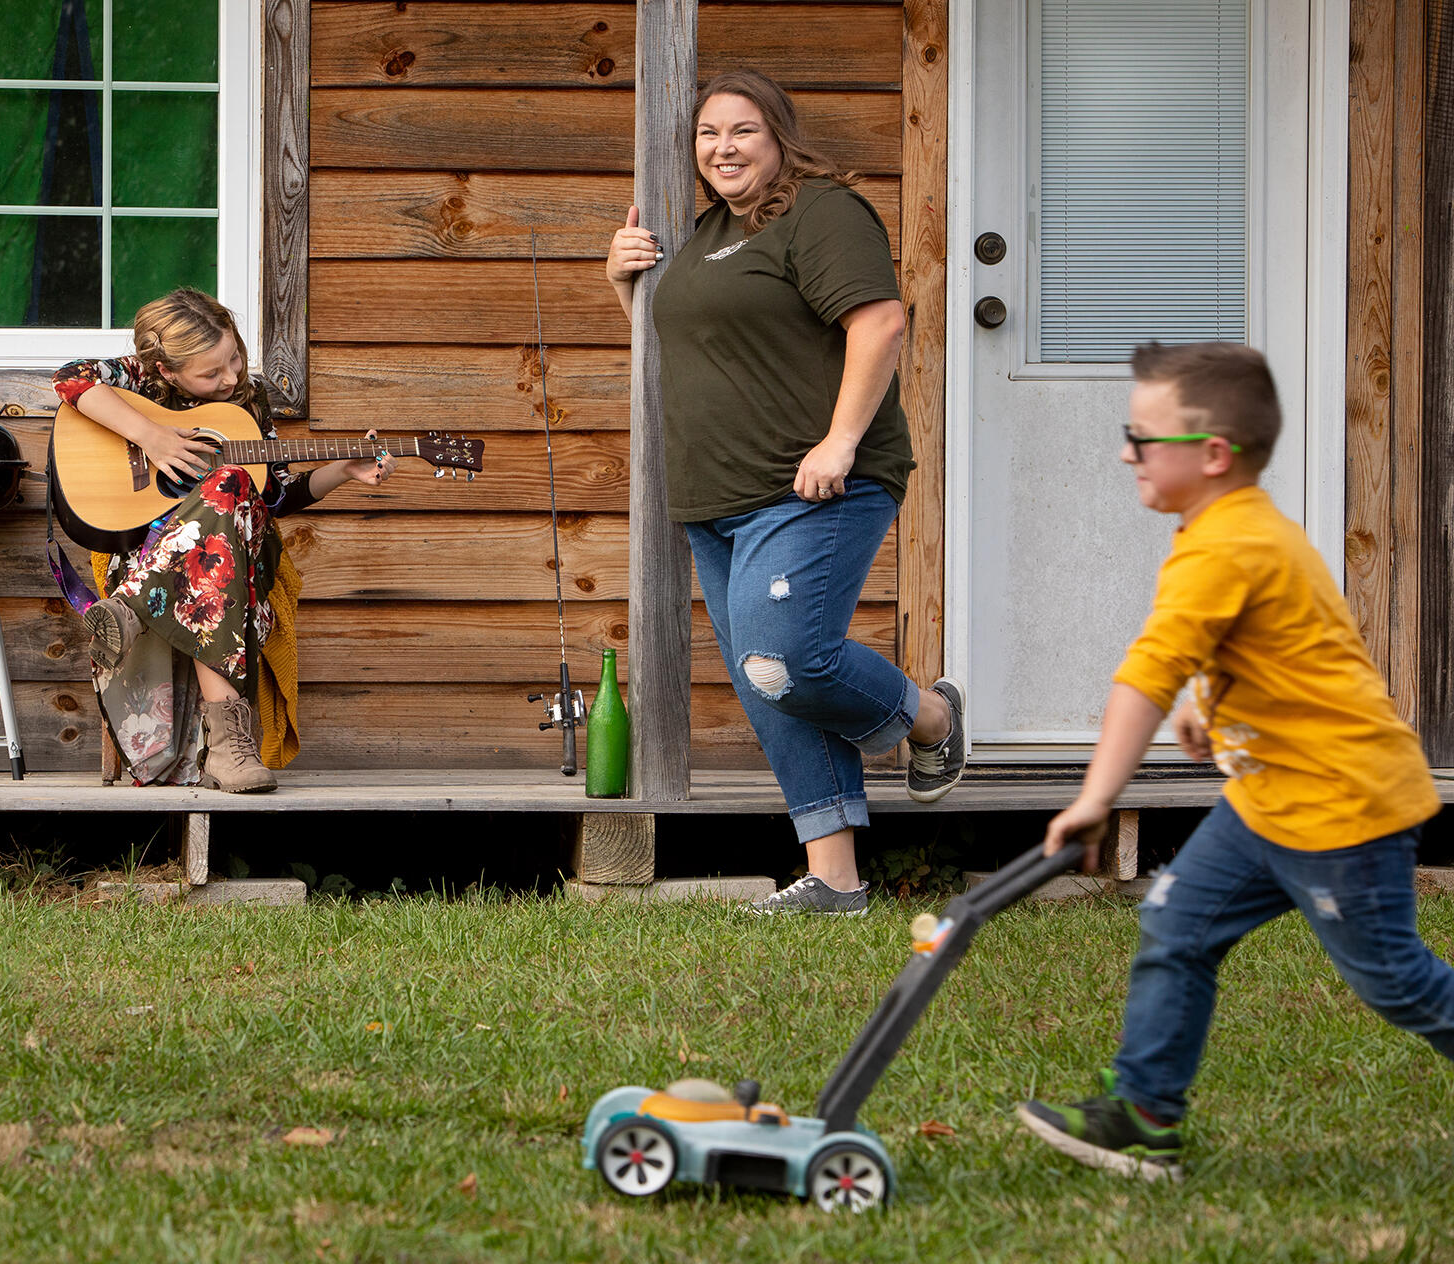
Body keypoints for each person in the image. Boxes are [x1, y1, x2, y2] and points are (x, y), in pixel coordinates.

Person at [1020, 341, 1452, 1180]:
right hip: (1265, 801)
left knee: (1398, 984)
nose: (1125, 452)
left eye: (1141, 437)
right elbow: (1288, 654)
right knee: (1177, 925)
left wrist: (1094, 798)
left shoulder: (1228, 547)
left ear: (1212, 454)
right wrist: (1211, 709)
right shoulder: (1235, 533)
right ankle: (1145, 1116)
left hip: (1340, 811)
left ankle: (1144, 1110)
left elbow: (1145, 674)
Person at [604, 68, 967, 916]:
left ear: (779, 137)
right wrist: (629, 289)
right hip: (716, 495)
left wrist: (840, 441)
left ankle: (933, 722)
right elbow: (697, 352)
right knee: (766, 679)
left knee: (787, 658)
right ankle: (836, 880)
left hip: (813, 484)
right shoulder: (706, 233)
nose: (723, 149)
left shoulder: (821, 210)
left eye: (743, 132)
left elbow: (879, 322)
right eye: (708, 135)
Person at [53, 288, 394, 791]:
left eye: (233, 357)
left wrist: (342, 470)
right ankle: (229, 750)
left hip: (241, 556)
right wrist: (151, 436)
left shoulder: (250, 401)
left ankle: (129, 609)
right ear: (166, 371)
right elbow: (71, 378)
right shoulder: (140, 379)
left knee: (233, 482)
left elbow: (275, 496)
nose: (231, 378)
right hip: (152, 556)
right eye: (211, 373)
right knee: (223, 507)